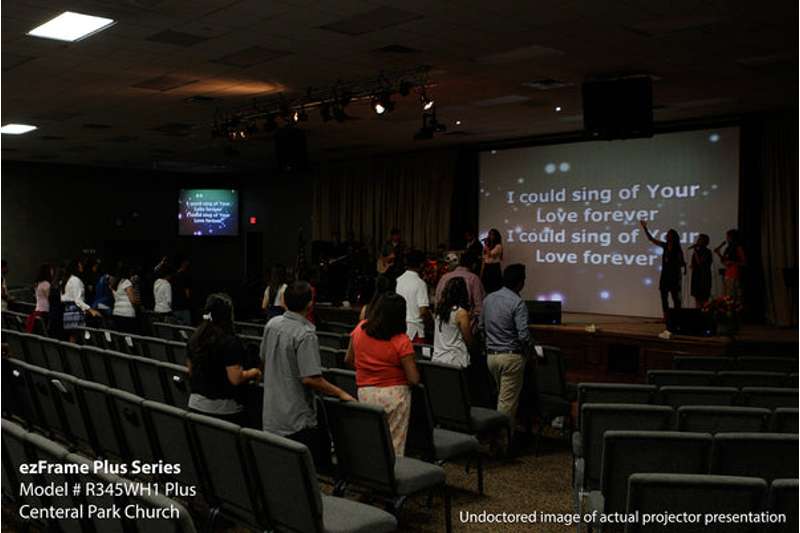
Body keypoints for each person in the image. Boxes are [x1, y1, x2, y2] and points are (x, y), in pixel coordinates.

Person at [261, 281, 354, 468]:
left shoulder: (271, 324)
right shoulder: (305, 334)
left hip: (272, 414)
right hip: (296, 420)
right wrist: (341, 393)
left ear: (284, 301)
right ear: (310, 304)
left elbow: (263, 357)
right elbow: (310, 379)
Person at [346, 292, 420, 456]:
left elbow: (349, 359)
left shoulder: (360, 329)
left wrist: (368, 370)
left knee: (371, 439)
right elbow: (413, 379)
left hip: (365, 392)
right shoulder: (401, 340)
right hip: (394, 396)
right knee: (393, 444)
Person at [187, 294, 262, 425]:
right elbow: (235, 378)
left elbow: (190, 371)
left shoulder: (194, 339)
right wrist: (254, 372)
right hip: (223, 411)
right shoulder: (230, 342)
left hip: (195, 406)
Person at [479, 264, 530, 438]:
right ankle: (501, 442)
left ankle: (499, 438)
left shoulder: (489, 299)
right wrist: (530, 352)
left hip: (491, 357)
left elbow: (481, 327)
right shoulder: (517, 303)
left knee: (501, 397)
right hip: (511, 357)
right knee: (506, 404)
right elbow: (523, 336)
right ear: (520, 282)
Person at [640, 221, 686, 317]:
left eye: (669, 234)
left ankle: (678, 316)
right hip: (665, 275)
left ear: (674, 237)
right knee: (664, 297)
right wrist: (645, 228)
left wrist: (679, 264)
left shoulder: (677, 249)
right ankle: (666, 316)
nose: (667, 235)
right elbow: (651, 239)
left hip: (674, 276)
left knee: (675, 298)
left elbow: (682, 263)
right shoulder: (665, 246)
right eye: (667, 234)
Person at [432, 277, 474, 368]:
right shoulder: (461, 313)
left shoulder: (439, 309)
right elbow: (469, 340)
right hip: (455, 361)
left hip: (438, 358)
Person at [395, 249, 432, 343]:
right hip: (415, 331)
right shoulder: (420, 283)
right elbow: (423, 311)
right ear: (421, 265)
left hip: (400, 328)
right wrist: (431, 322)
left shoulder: (398, 280)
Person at [435, 251, 486, 320]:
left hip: (445, 320)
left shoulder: (444, 277)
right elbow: (479, 307)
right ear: (474, 265)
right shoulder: (474, 279)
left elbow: (437, 301)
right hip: (466, 321)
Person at [61, 258, 101, 343]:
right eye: (80, 265)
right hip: (75, 311)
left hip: (68, 310)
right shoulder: (75, 280)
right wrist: (91, 310)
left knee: (73, 337)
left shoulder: (68, 279)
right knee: (78, 337)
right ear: (76, 267)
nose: (82, 266)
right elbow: (78, 300)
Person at [715, 229, 747, 304]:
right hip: (728, 273)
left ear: (733, 237)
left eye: (728, 236)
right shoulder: (728, 248)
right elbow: (724, 261)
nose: (727, 238)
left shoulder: (738, 247)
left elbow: (744, 262)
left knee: (735, 294)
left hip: (735, 273)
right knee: (728, 295)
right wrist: (718, 253)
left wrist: (732, 262)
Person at [25, 263, 53, 333]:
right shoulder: (46, 284)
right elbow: (49, 297)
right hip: (45, 310)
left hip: (38, 309)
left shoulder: (38, 283)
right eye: (51, 270)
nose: (52, 272)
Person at [689, 234, 713, 307]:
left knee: (704, 298)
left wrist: (695, 250)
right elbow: (694, 263)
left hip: (704, 277)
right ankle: (698, 312)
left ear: (704, 241)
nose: (698, 241)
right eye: (698, 239)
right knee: (697, 297)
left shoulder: (707, 251)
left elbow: (700, 262)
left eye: (700, 239)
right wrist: (692, 266)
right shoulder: (697, 251)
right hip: (696, 276)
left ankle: (704, 312)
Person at [481, 229, 504, 294]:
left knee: (494, 286)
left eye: (492, 234)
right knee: (486, 285)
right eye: (489, 234)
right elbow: (484, 256)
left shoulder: (498, 246)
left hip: (494, 268)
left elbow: (491, 254)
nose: (490, 236)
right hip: (487, 267)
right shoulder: (488, 246)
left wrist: (486, 245)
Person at [171, 256, 192, 325]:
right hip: (183, 306)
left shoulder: (173, 276)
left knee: (176, 327)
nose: (188, 264)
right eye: (186, 262)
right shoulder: (185, 275)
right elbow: (187, 293)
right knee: (187, 326)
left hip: (175, 306)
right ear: (183, 263)